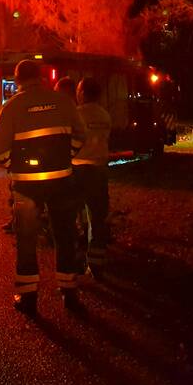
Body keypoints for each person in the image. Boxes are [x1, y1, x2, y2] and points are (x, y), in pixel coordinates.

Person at [0, 60, 86, 315]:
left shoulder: (11, 107)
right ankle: (69, 293)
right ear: (41, 77)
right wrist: (66, 157)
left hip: (26, 185)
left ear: (18, 79)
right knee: (65, 236)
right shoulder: (64, 102)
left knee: (27, 239)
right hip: (62, 180)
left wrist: (16, 167)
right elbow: (80, 135)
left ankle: (28, 297)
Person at [73, 77, 112, 280]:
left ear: (83, 93)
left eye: (79, 90)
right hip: (99, 171)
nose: (77, 94)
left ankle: (76, 262)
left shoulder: (76, 114)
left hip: (78, 171)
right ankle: (96, 265)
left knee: (74, 217)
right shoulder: (105, 115)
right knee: (97, 218)